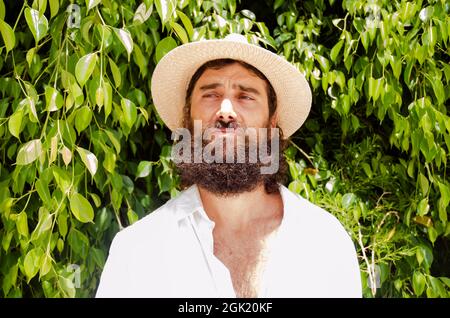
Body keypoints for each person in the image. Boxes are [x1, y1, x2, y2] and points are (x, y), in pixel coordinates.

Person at [96, 34, 362, 298]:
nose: (226, 111)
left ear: (272, 123)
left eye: (246, 96)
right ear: (187, 117)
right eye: (211, 94)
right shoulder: (138, 250)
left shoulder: (325, 242)